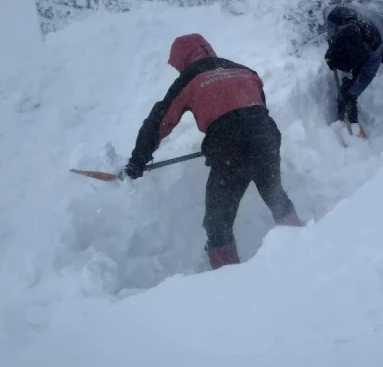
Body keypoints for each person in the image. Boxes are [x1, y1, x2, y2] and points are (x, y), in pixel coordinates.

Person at [121, 33, 301, 270]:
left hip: (230, 151)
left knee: (218, 221)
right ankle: (302, 246)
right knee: (274, 194)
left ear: (183, 60)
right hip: (266, 138)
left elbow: (159, 121)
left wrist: (137, 162)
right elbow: (256, 110)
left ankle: (226, 278)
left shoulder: (191, 78)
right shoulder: (245, 70)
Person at [323, 2, 383, 136]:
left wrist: (352, 93)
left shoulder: (374, 43)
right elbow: (328, 21)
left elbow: (368, 74)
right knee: (347, 88)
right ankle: (346, 125)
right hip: (354, 34)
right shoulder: (332, 15)